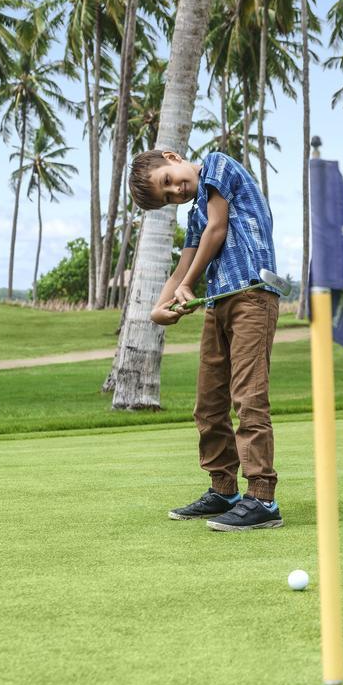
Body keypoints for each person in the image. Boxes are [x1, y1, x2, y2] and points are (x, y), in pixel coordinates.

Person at [129, 148, 285, 531]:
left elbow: (218, 229)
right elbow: (184, 264)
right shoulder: (195, 210)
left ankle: (263, 498)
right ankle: (224, 490)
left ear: (173, 156)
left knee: (248, 397)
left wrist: (184, 286)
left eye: (169, 181)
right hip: (218, 304)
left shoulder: (217, 164)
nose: (175, 192)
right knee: (209, 403)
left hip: (252, 295)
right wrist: (158, 308)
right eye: (167, 197)